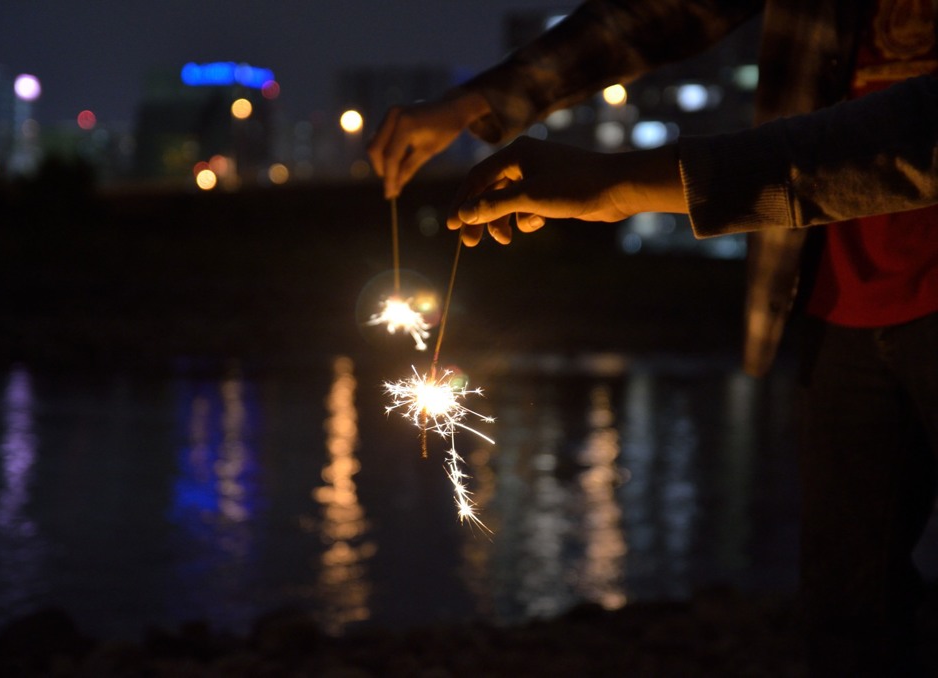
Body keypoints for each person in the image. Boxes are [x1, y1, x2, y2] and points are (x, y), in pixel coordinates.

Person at [367, 1, 938, 675]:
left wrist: (622, 185)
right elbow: (663, 10)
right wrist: (481, 101)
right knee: (847, 614)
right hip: (839, 296)